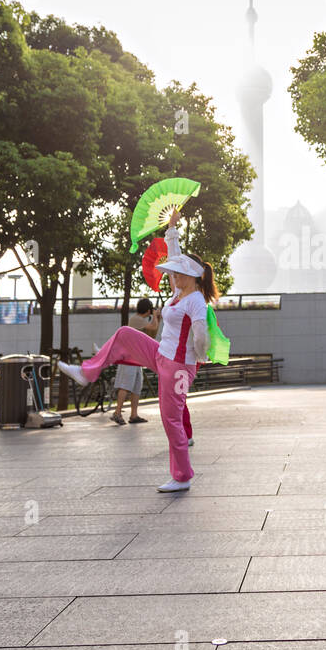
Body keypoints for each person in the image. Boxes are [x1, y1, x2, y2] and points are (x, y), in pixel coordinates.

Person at [57, 206, 213, 492]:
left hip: (178, 367)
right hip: (160, 355)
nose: (173, 278)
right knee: (125, 333)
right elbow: (175, 255)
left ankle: (182, 477)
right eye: (174, 275)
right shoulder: (180, 293)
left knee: (171, 419)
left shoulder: (197, 301)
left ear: (191, 277)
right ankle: (86, 372)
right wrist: (172, 227)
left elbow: (201, 333)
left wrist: (200, 356)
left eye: (178, 275)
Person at [111, 298, 160, 425]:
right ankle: (117, 412)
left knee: (136, 387)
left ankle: (134, 415)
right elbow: (153, 327)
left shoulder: (141, 321)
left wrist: (157, 318)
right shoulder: (136, 319)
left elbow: (152, 336)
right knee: (125, 386)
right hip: (128, 359)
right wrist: (155, 316)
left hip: (136, 359)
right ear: (148, 310)